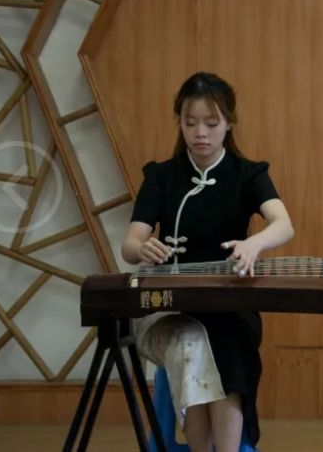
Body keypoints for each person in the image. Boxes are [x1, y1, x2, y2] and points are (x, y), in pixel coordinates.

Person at [121, 71, 294, 452]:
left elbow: (283, 224)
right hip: (167, 308)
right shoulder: (161, 176)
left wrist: (253, 245)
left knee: (226, 344)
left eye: (211, 123)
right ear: (180, 122)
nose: (200, 133)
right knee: (193, 344)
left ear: (229, 123)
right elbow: (130, 244)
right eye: (190, 122)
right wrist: (142, 247)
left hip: (229, 306)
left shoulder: (247, 174)